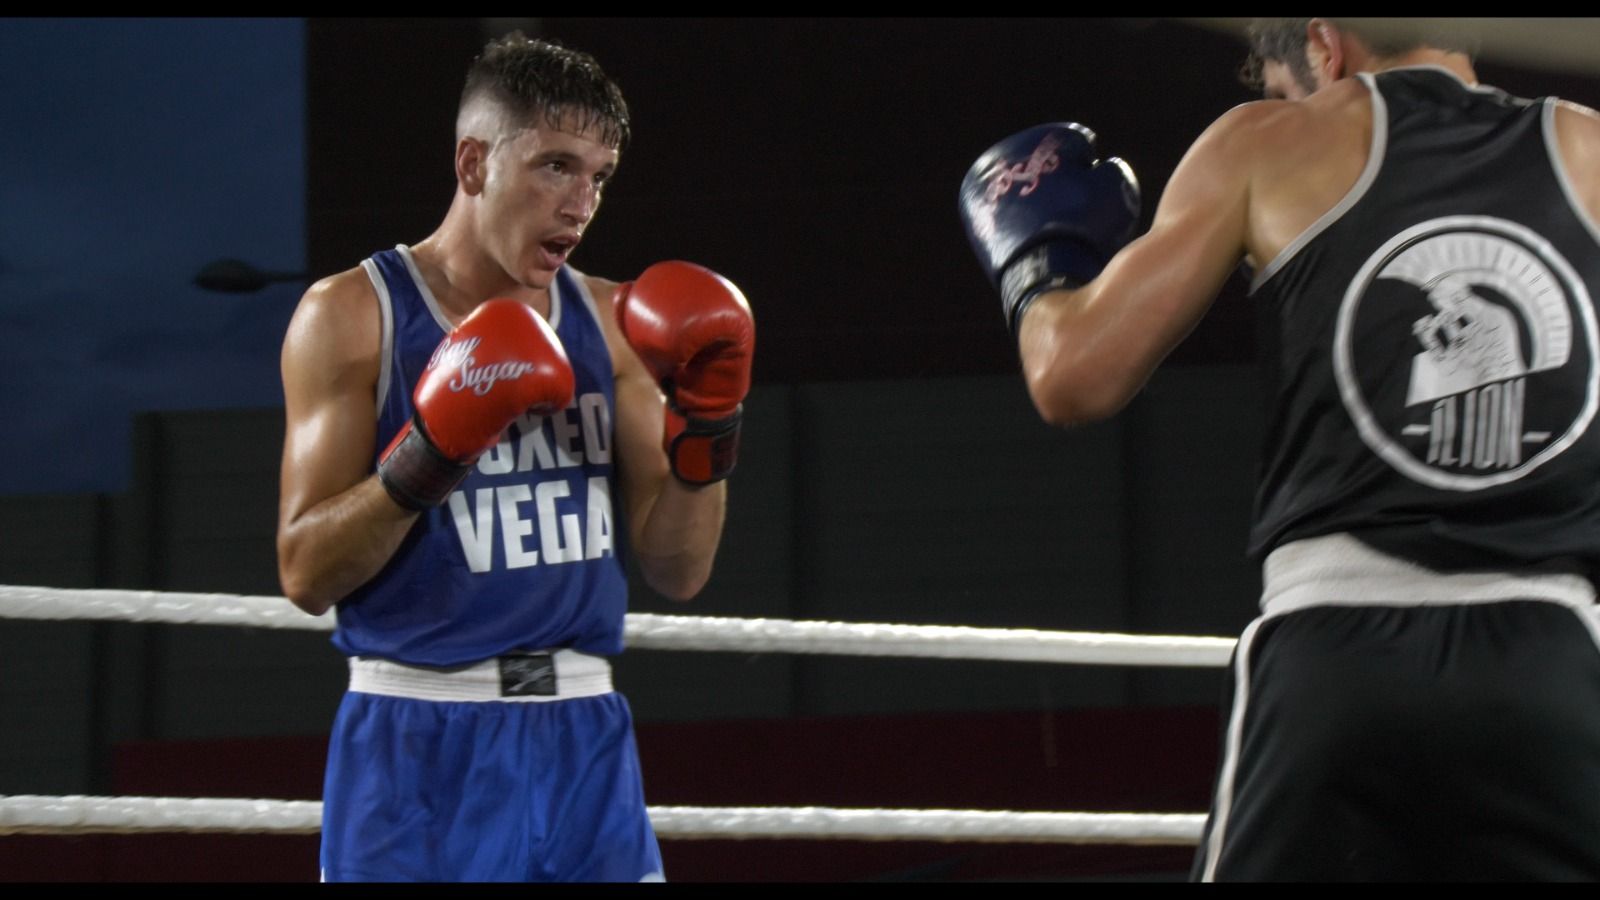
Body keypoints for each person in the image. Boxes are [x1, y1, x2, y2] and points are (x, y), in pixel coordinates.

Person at [958, 17, 1600, 881]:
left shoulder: (1265, 144)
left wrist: (1034, 263)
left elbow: (1071, 374)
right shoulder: (1589, 149)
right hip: (1553, 670)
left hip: (1335, 664)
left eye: (1279, 84)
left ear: (1325, 45)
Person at [274, 32, 754, 883]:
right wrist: (432, 448)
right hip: (413, 747)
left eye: (599, 177)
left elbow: (680, 568)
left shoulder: (616, 323)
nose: (581, 204)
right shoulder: (354, 316)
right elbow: (308, 573)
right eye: (556, 167)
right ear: (472, 164)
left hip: (583, 744)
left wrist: (711, 421)